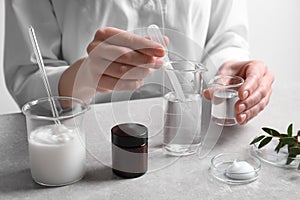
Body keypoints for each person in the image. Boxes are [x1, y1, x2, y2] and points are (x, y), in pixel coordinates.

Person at [4, 0, 274, 125]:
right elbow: (28, 74)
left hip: (192, 135)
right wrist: (85, 77)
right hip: (83, 149)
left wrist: (230, 70)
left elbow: (226, 36)